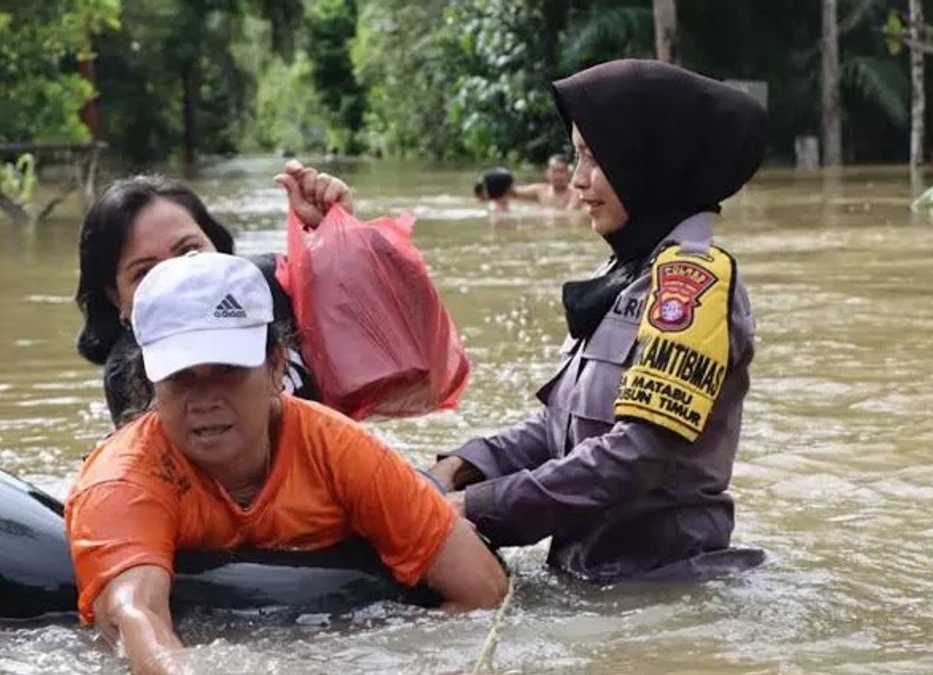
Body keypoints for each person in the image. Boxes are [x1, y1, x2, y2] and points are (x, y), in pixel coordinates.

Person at [66, 252, 508, 674]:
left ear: (276, 366)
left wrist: (362, 656)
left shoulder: (339, 450)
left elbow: (483, 590)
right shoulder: (122, 479)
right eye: (181, 377)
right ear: (148, 381)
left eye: (227, 369)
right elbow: (134, 615)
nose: (206, 400)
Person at [429, 59, 768, 583]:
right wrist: (460, 468)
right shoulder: (624, 274)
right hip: (592, 578)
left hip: (664, 588)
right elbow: (563, 429)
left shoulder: (692, 285)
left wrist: (475, 508)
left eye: (595, 157)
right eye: (576, 156)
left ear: (646, 160)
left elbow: (635, 455)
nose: (580, 181)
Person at [74, 160, 348, 426]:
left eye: (189, 251)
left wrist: (335, 242)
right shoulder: (130, 373)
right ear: (117, 299)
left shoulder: (277, 283)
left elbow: (371, 341)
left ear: (219, 248)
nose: (180, 280)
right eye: (145, 272)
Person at [473, 155, 582, 211]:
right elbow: (510, 191)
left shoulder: (576, 192)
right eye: (554, 171)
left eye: (561, 171)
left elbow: (569, 215)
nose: (558, 176)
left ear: (569, 173)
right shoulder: (540, 190)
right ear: (547, 173)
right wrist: (486, 193)